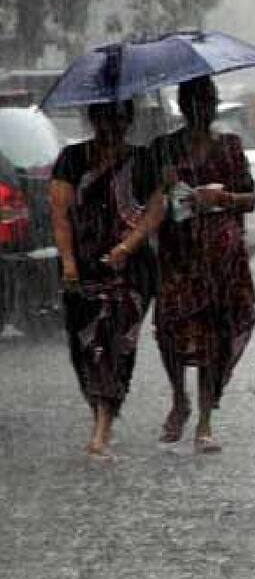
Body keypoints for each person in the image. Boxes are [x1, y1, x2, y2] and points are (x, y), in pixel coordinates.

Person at [49, 100, 166, 460]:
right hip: (83, 271)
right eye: (104, 118)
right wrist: (69, 262)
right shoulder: (72, 159)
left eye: (119, 119)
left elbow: (156, 207)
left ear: (128, 121)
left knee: (117, 345)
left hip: (130, 273)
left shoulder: (142, 160)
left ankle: (102, 424)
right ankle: (100, 408)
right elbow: (60, 213)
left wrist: (127, 247)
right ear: (93, 119)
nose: (111, 126)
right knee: (85, 346)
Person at [151, 76, 255, 453]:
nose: (204, 109)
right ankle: (180, 399)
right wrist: (164, 188)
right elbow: (146, 203)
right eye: (197, 101)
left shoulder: (230, 147)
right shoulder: (164, 149)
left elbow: (250, 200)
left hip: (221, 259)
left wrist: (222, 196)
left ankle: (206, 420)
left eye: (209, 101)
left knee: (216, 335)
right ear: (184, 106)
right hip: (177, 255)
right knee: (170, 327)